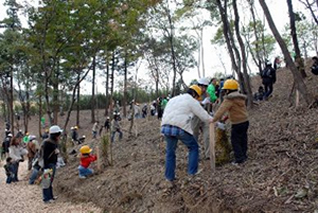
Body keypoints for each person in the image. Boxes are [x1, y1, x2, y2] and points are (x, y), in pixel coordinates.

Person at [161, 85, 213, 183]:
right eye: (197, 97)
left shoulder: (173, 99)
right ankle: (192, 174)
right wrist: (213, 120)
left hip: (166, 126)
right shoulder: (191, 100)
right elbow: (203, 115)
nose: (197, 99)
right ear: (194, 94)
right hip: (179, 127)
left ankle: (169, 178)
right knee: (193, 147)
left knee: (170, 152)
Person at [212, 79, 249, 165]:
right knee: (243, 138)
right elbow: (237, 110)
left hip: (237, 123)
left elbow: (221, 110)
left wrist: (213, 119)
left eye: (225, 90)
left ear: (228, 90)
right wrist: (226, 117)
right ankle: (244, 155)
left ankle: (239, 159)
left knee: (235, 140)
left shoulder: (229, 99)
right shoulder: (241, 97)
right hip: (245, 121)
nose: (225, 92)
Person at [192, 77, 212, 160]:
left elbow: (208, 105)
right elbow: (191, 103)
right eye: (202, 86)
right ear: (198, 86)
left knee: (207, 135)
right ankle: (195, 155)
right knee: (194, 136)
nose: (203, 89)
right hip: (195, 117)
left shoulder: (207, 94)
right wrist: (201, 102)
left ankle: (209, 154)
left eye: (205, 87)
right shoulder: (194, 93)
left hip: (204, 116)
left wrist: (210, 110)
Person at [42, 125, 62, 203]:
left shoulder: (52, 142)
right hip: (48, 164)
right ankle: (46, 198)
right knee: (46, 181)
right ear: (56, 134)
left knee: (50, 181)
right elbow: (45, 156)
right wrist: (45, 165)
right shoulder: (47, 143)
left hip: (52, 163)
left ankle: (50, 196)